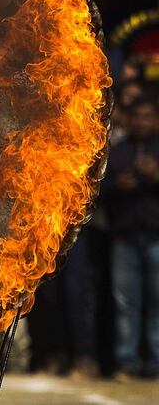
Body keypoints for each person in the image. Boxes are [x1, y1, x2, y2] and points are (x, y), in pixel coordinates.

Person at [101, 98, 159, 380]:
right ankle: (128, 361)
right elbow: (98, 192)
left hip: (156, 237)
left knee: (157, 303)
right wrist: (117, 186)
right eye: (137, 117)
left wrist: (154, 176)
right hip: (124, 239)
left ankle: (156, 362)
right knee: (127, 305)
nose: (141, 122)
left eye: (147, 117)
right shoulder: (118, 151)